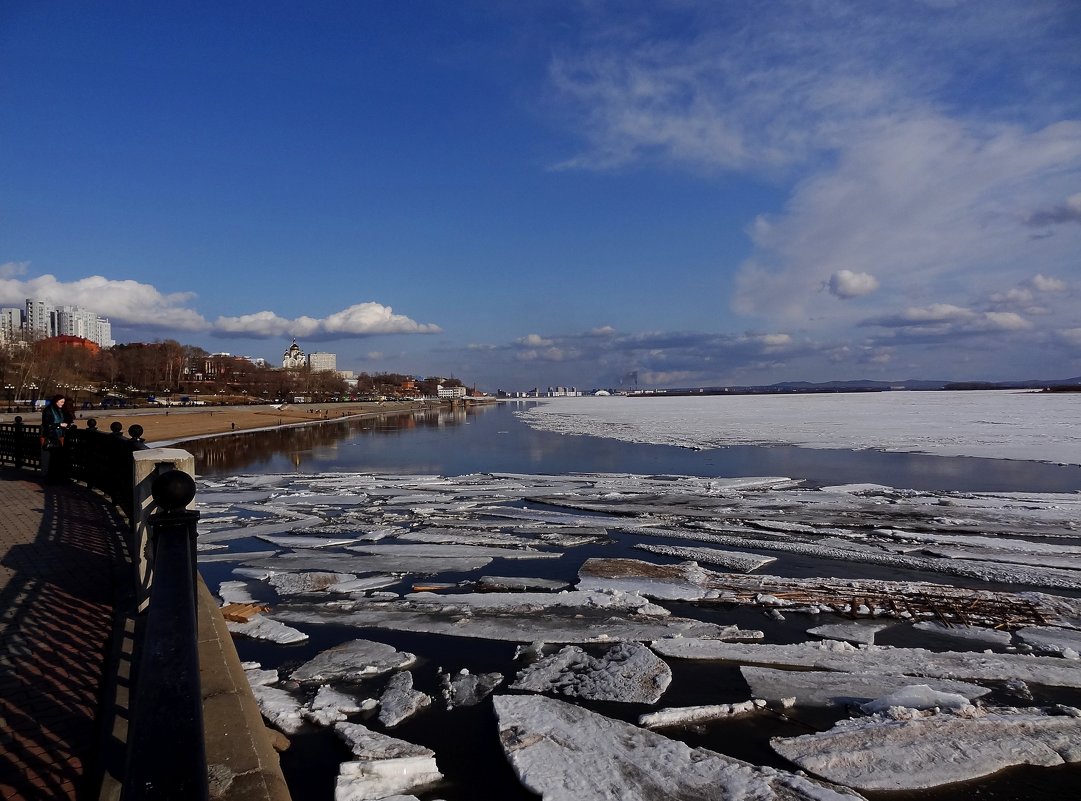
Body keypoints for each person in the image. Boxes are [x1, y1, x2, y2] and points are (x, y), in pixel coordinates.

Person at [40, 394, 71, 481]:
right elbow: (46, 424)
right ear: (56, 401)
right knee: (54, 459)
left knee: (57, 458)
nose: (62, 403)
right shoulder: (48, 410)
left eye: (63, 402)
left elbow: (64, 419)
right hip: (51, 436)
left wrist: (66, 425)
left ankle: (56, 477)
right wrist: (59, 425)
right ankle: (52, 478)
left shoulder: (59, 410)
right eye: (61, 402)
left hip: (59, 436)